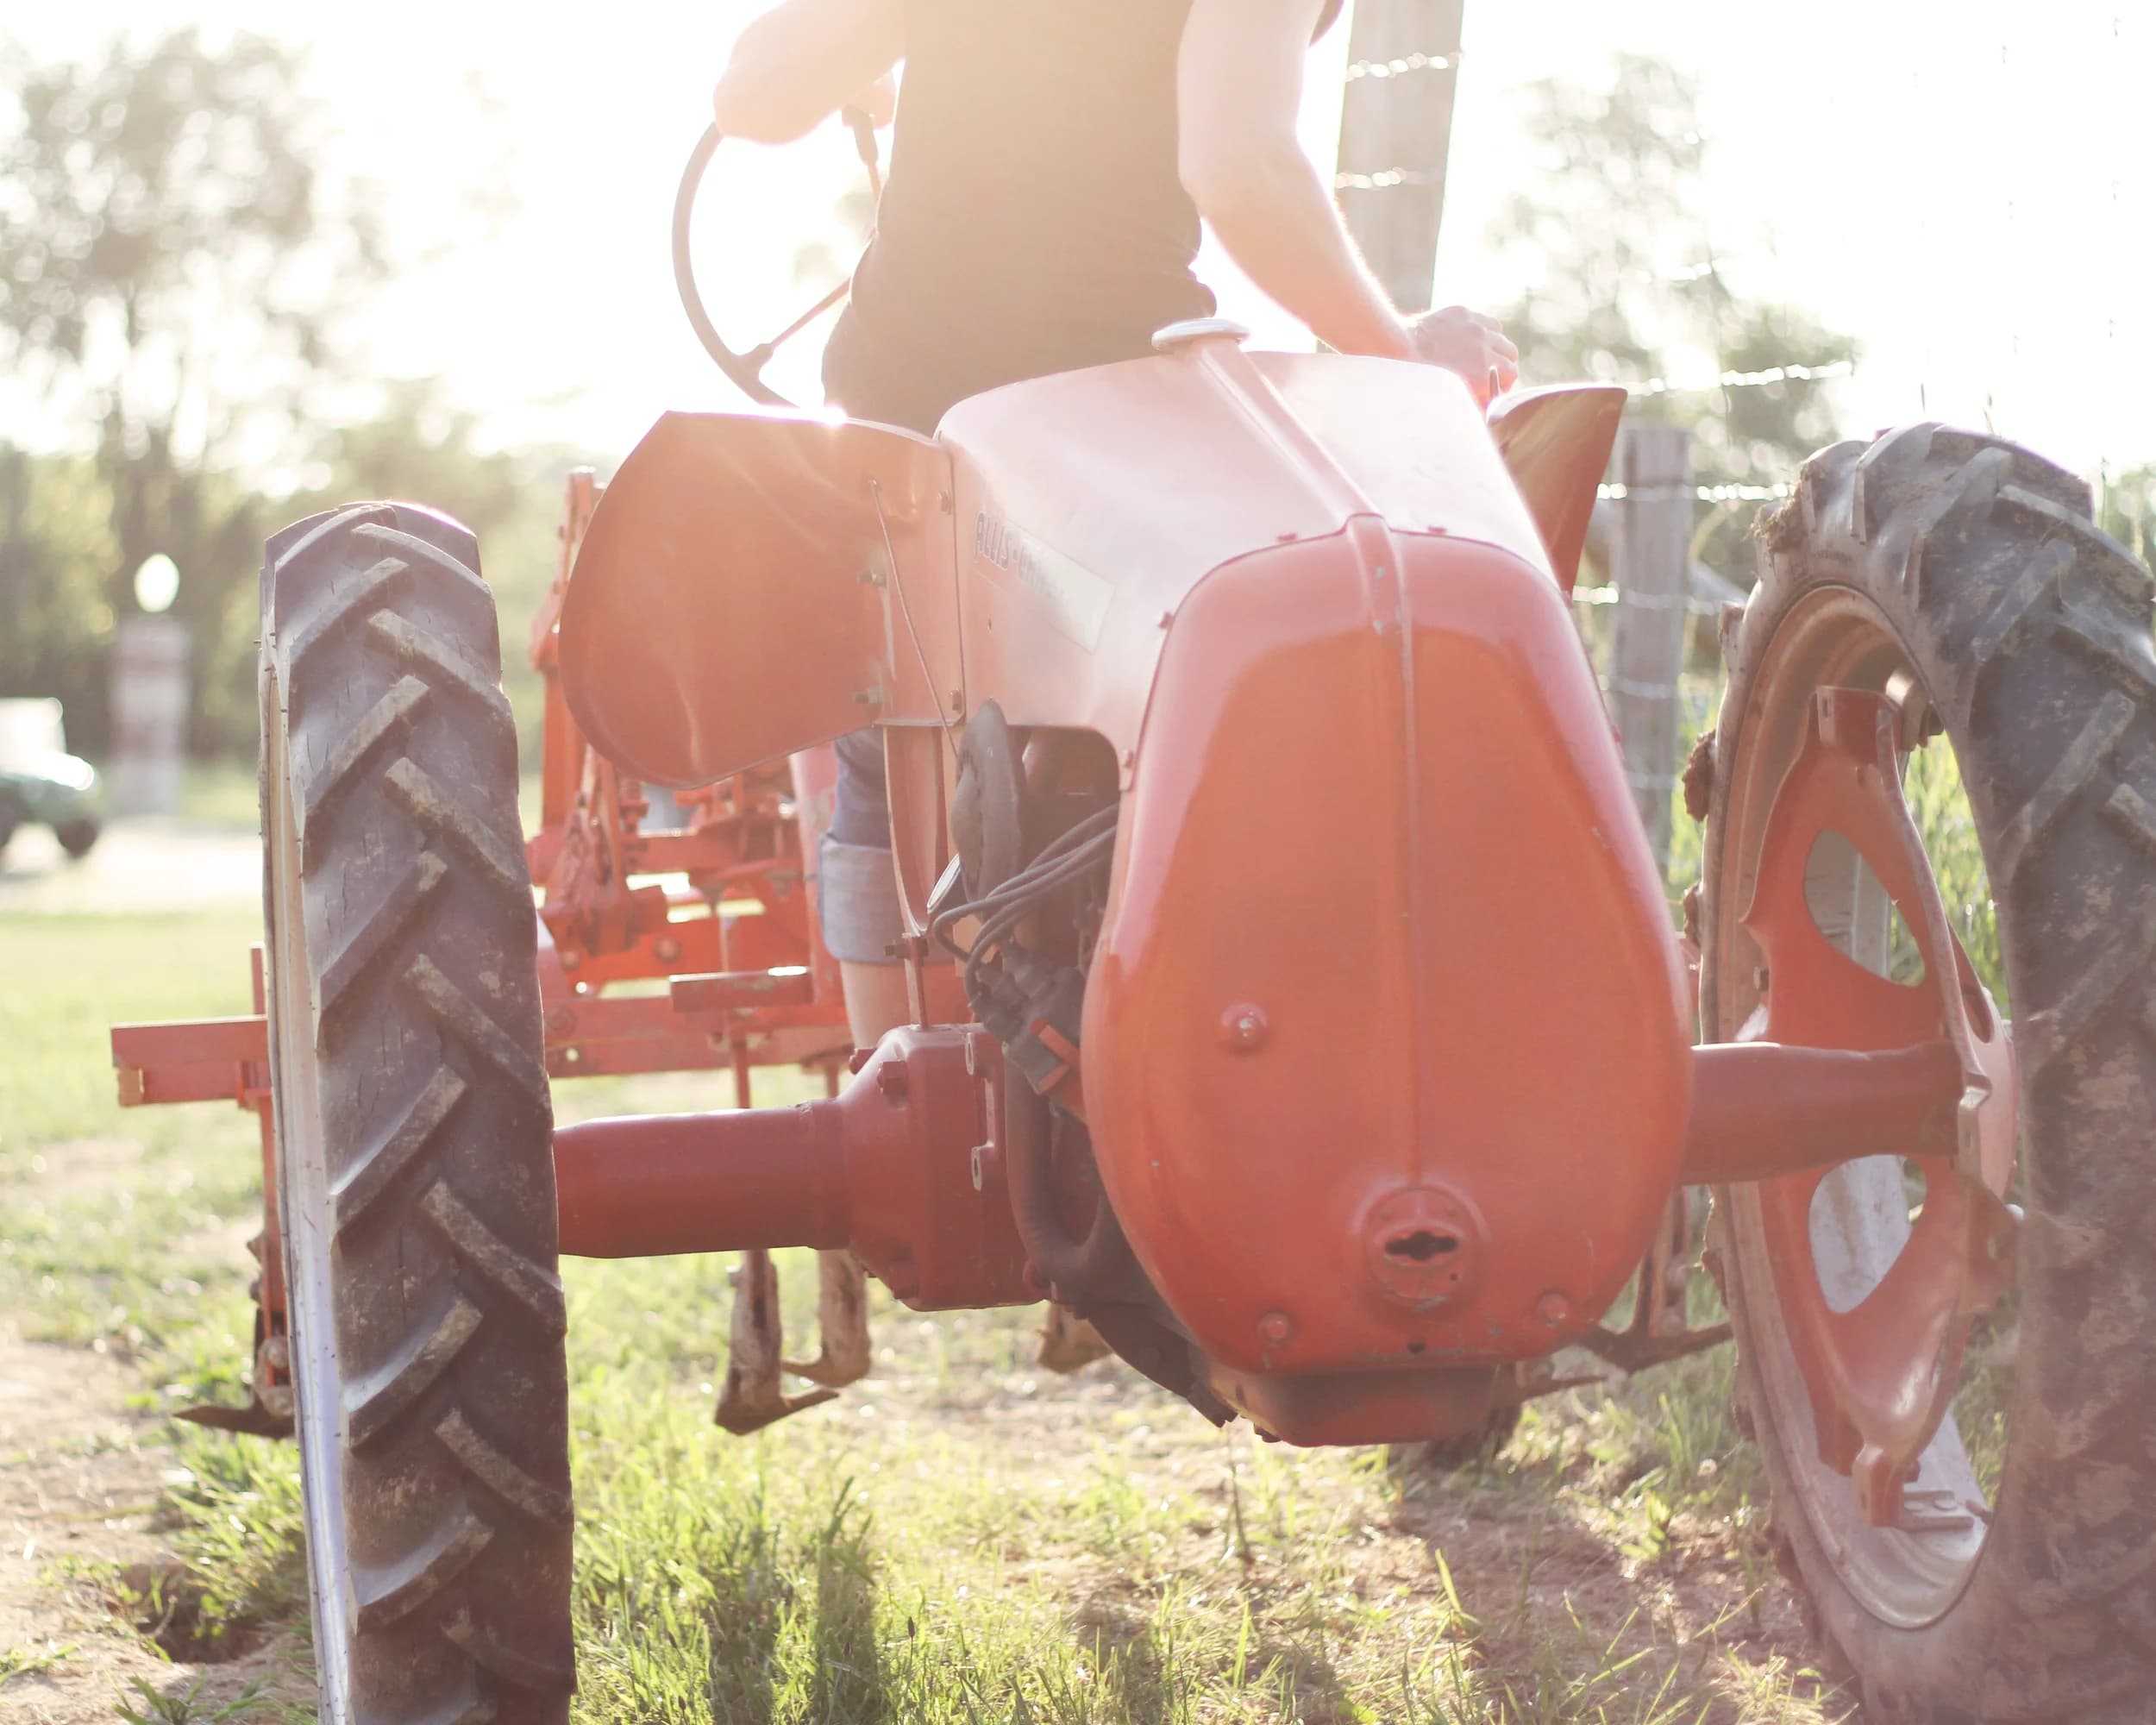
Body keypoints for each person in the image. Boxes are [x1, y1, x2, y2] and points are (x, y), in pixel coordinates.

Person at [713, 0, 1520, 1044]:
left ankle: (901, 1086)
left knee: (894, 728)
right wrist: (1404, 358)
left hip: (904, 419)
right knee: (1187, 701)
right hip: (1104, 421)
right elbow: (1240, 168)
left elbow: (756, 93)